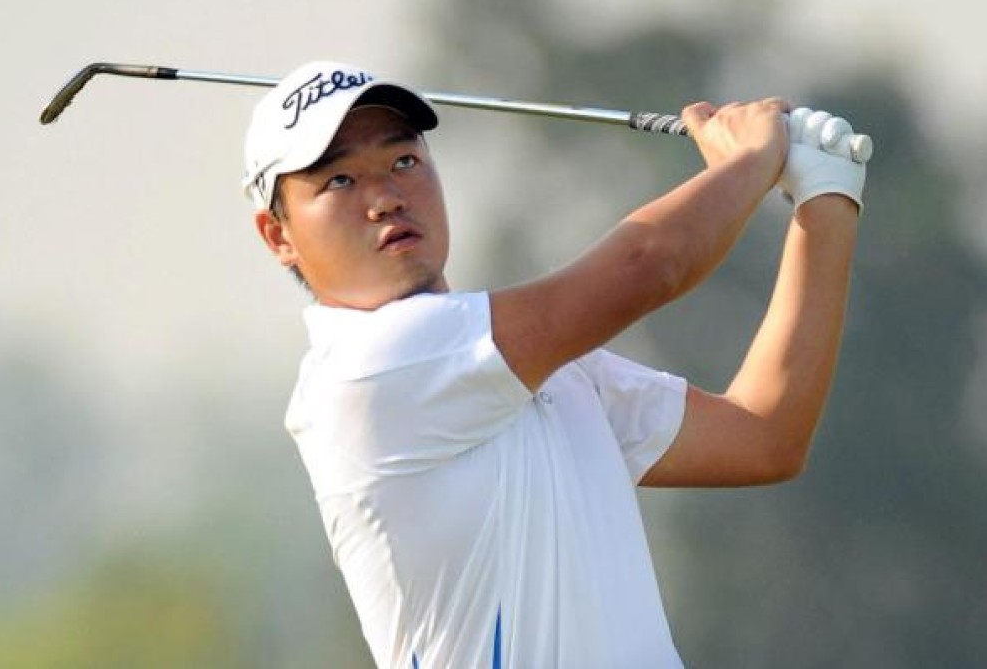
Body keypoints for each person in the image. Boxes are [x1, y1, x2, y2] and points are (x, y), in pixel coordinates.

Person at [243, 60, 866, 668]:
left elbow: (763, 436)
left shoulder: (531, 366)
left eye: (404, 161)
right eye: (339, 182)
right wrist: (753, 159)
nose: (385, 198)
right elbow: (649, 265)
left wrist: (827, 196)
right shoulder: (367, 372)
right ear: (279, 236)